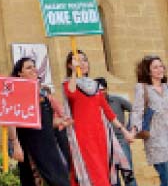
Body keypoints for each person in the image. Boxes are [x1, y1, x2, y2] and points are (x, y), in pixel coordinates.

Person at [63, 51, 134, 186]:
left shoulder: (96, 86)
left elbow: (108, 111)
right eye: (77, 61)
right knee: (93, 173)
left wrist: (124, 131)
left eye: (84, 60)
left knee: (104, 171)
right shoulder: (68, 84)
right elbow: (71, 93)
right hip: (83, 135)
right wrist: (73, 72)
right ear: (69, 64)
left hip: (101, 135)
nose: (82, 63)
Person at [9, 57, 70, 186]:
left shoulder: (43, 93)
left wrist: (61, 121)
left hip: (49, 146)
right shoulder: (15, 93)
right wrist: (15, 144)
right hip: (31, 147)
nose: (33, 70)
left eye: (34, 66)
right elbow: (11, 121)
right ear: (19, 74)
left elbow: (46, 122)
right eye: (28, 67)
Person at [131, 55, 168, 185]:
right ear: (148, 71)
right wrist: (133, 131)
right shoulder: (142, 88)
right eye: (155, 67)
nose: (160, 69)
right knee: (166, 176)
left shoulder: (167, 87)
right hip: (156, 140)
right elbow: (137, 111)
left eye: (161, 66)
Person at [96, 77, 138, 186]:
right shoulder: (94, 105)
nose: (101, 92)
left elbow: (135, 110)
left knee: (128, 173)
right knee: (112, 178)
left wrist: (129, 128)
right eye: (98, 90)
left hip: (120, 140)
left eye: (102, 90)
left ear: (106, 89)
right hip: (104, 143)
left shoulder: (117, 100)